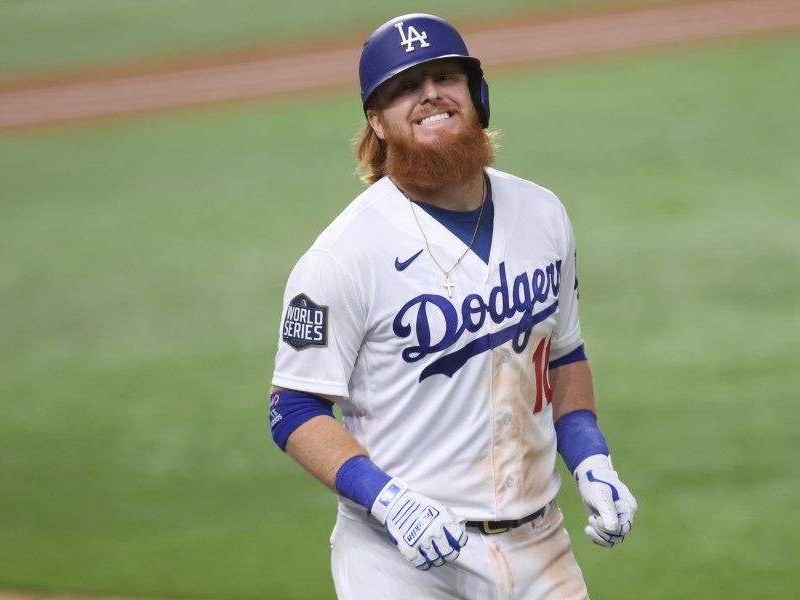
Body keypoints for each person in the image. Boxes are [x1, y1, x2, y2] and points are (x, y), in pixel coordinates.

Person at [268, 13, 637, 599]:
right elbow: (292, 409)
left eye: (446, 77)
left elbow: (564, 355)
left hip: (542, 544)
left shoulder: (542, 214)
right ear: (377, 121)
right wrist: (388, 500)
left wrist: (592, 460)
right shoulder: (343, 256)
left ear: (476, 93)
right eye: (404, 88)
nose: (430, 95)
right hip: (398, 560)